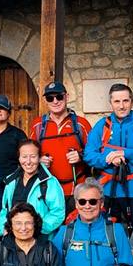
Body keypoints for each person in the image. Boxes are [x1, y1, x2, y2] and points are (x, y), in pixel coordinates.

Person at [85, 83, 133, 229]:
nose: (121, 106)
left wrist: (125, 153)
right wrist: (107, 158)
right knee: (107, 233)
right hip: (107, 190)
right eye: (117, 101)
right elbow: (89, 155)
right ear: (111, 103)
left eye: (125, 101)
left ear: (132, 102)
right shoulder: (102, 125)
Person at [30, 81, 91, 213]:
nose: (55, 101)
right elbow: (28, 154)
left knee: (75, 229)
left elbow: (95, 154)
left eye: (59, 96)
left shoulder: (81, 124)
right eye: (50, 98)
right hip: (48, 189)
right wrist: (38, 160)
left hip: (77, 190)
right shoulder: (37, 125)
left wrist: (81, 156)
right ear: (45, 100)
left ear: (67, 97)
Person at [0, 139, 65, 237]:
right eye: (24, 157)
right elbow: (5, 210)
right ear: (19, 158)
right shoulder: (11, 181)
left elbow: (58, 212)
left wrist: (37, 229)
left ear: (39, 158)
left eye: (33, 157)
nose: (28, 162)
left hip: (39, 240)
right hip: (13, 239)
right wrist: (3, 229)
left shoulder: (50, 182)